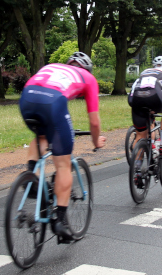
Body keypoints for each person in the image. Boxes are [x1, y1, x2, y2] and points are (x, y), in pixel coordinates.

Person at [19, 52, 106, 242]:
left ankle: (32, 177)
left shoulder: (52, 66)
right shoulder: (89, 78)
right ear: (87, 69)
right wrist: (95, 141)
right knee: (63, 164)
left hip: (27, 98)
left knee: (41, 135)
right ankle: (60, 222)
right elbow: (94, 122)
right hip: (53, 102)